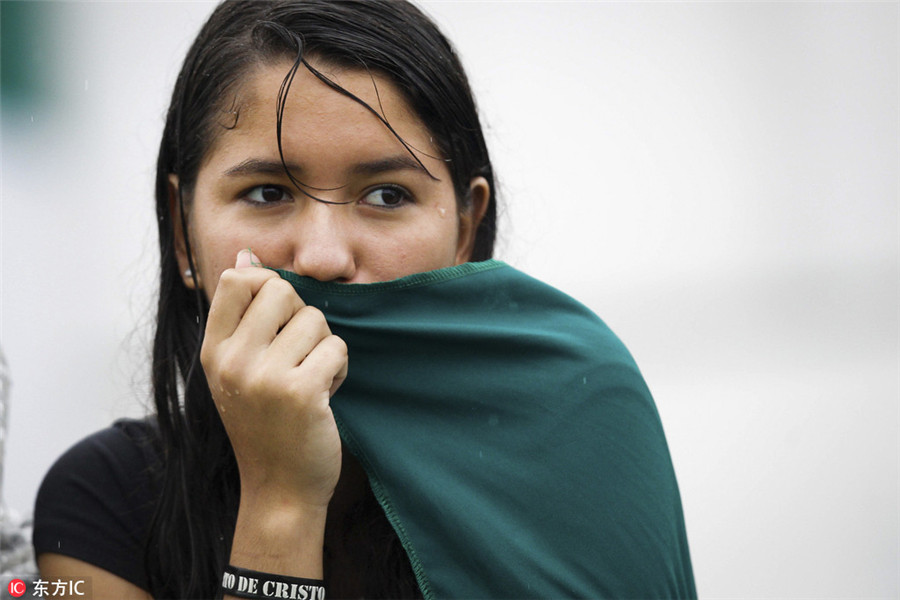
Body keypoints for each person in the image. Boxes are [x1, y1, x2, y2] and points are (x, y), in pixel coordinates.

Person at [33, 1, 695, 598]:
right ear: (183, 236)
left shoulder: (581, 431)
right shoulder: (102, 506)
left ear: (466, 230)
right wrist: (280, 501)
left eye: (386, 195)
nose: (323, 257)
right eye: (267, 193)